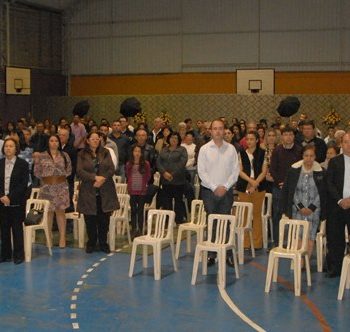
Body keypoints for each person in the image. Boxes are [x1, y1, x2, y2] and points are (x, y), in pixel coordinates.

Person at [197, 119, 239, 267]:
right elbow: (201, 172)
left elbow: (235, 171)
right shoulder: (204, 149)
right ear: (211, 131)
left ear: (224, 130)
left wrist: (225, 186)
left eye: (221, 128)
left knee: (226, 222)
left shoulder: (231, 149)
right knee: (212, 222)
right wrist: (215, 187)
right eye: (215, 128)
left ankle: (227, 254)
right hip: (209, 191)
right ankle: (211, 254)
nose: (218, 131)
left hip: (226, 191)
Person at [280, 145, 327, 260]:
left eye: (311, 156)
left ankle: (305, 262)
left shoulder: (321, 172)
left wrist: (311, 207)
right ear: (302, 156)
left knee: (311, 236)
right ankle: (298, 261)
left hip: (314, 210)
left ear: (315, 157)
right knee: (298, 235)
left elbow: (322, 192)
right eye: (306, 155)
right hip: (297, 209)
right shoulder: (294, 170)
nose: (309, 158)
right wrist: (300, 207)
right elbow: (292, 191)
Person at [77, 132, 118, 254]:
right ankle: (91, 242)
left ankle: (103, 242)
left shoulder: (106, 152)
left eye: (97, 139)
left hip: (105, 189)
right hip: (88, 189)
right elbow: (79, 171)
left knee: (104, 218)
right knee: (89, 218)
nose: (95, 140)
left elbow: (111, 168)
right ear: (88, 141)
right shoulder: (81, 154)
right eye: (92, 139)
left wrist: (102, 179)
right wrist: (94, 178)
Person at [34, 134, 72, 248]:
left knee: (61, 213)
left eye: (56, 141)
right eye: (52, 140)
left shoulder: (65, 155)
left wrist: (59, 178)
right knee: (49, 213)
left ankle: (62, 238)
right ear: (48, 142)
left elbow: (69, 170)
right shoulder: (41, 156)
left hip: (61, 187)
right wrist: (47, 179)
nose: (54, 143)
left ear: (59, 143)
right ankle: (48, 237)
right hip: (47, 188)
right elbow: (36, 172)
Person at [269, 126, 302, 248]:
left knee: (294, 215)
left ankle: (293, 243)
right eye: (286, 134)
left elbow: (300, 169)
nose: (288, 137)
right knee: (277, 214)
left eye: (290, 134)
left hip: (294, 188)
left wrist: (289, 184)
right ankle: (278, 243)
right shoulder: (277, 150)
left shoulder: (299, 150)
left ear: (293, 136)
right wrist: (280, 183)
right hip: (279, 188)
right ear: (282, 136)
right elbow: (272, 169)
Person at [236, 131, 267, 249]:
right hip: (244, 186)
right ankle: (245, 242)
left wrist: (256, 183)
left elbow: (264, 171)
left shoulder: (263, 153)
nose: (249, 141)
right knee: (244, 215)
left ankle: (257, 242)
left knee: (256, 214)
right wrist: (250, 181)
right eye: (247, 139)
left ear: (257, 140)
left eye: (252, 139)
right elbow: (240, 171)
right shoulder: (241, 153)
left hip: (259, 186)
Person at [0, 138, 29, 264]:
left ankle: (18, 255)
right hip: (2, 202)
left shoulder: (23, 164)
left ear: (16, 148)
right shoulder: (0, 163)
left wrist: (10, 197)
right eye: (6, 146)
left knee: (17, 229)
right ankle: (5, 254)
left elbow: (23, 185)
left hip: (16, 202)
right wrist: (2, 196)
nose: (8, 148)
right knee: (4, 229)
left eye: (11, 146)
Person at [326, 132, 350, 277]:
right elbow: (329, 184)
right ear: (341, 144)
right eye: (346, 142)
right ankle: (336, 268)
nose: (349, 145)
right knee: (335, 238)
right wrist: (340, 200)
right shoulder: (334, 162)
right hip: (337, 206)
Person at [156, 132, 188, 224]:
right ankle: (168, 220)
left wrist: (172, 174)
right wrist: (164, 173)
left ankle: (179, 219)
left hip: (178, 180)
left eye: (176, 138)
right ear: (168, 139)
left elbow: (182, 163)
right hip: (165, 180)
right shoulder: (164, 149)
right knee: (166, 201)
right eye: (172, 138)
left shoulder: (182, 150)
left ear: (179, 140)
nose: (174, 140)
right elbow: (159, 162)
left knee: (178, 200)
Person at [126, 145, 151, 237]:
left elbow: (148, 176)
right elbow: (128, 175)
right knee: (133, 210)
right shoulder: (129, 164)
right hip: (132, 190)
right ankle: (133, 229)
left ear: (141, 153)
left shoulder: (146, 164)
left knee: (140, 210)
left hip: (142, 190)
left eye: (139, 151)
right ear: (132, 153)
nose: (137, 153)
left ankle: (140, 229)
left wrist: (143, 184)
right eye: (135, 151)